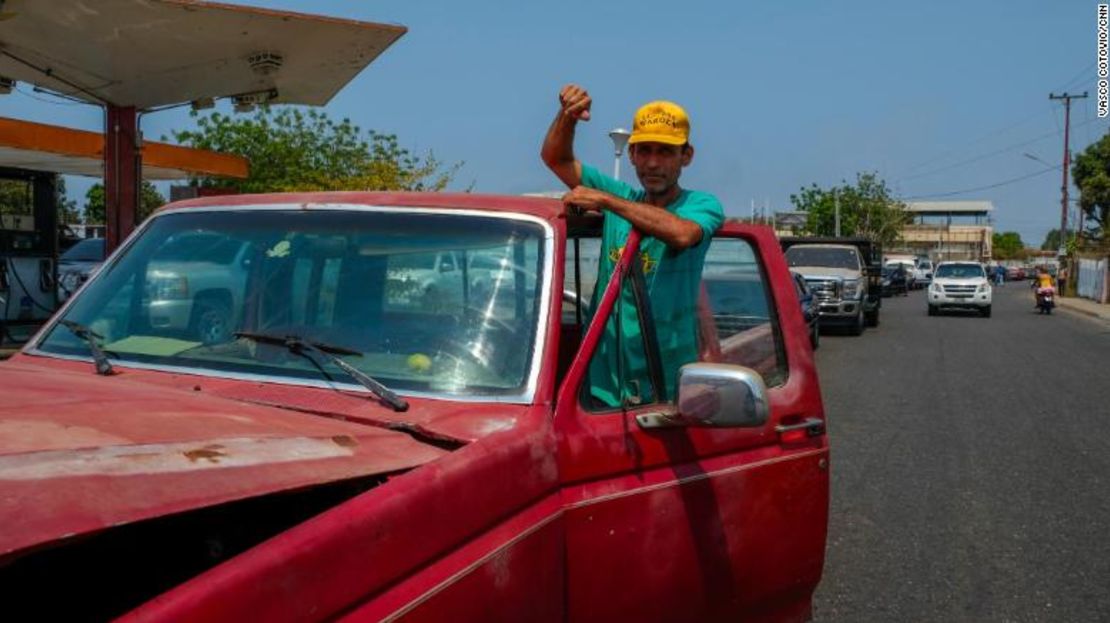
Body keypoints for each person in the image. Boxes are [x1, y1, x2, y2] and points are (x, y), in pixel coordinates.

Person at [541, 84, 724, 407]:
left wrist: (606, 200)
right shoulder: (623, 198)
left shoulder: (702, 204)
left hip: (668, 386)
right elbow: (556, 158)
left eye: (665, 152)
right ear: (632, 155)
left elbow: (681, 233)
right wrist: (567, 116)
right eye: (645, 151)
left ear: (687, 156)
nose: (653, 163)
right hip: (602, 386)